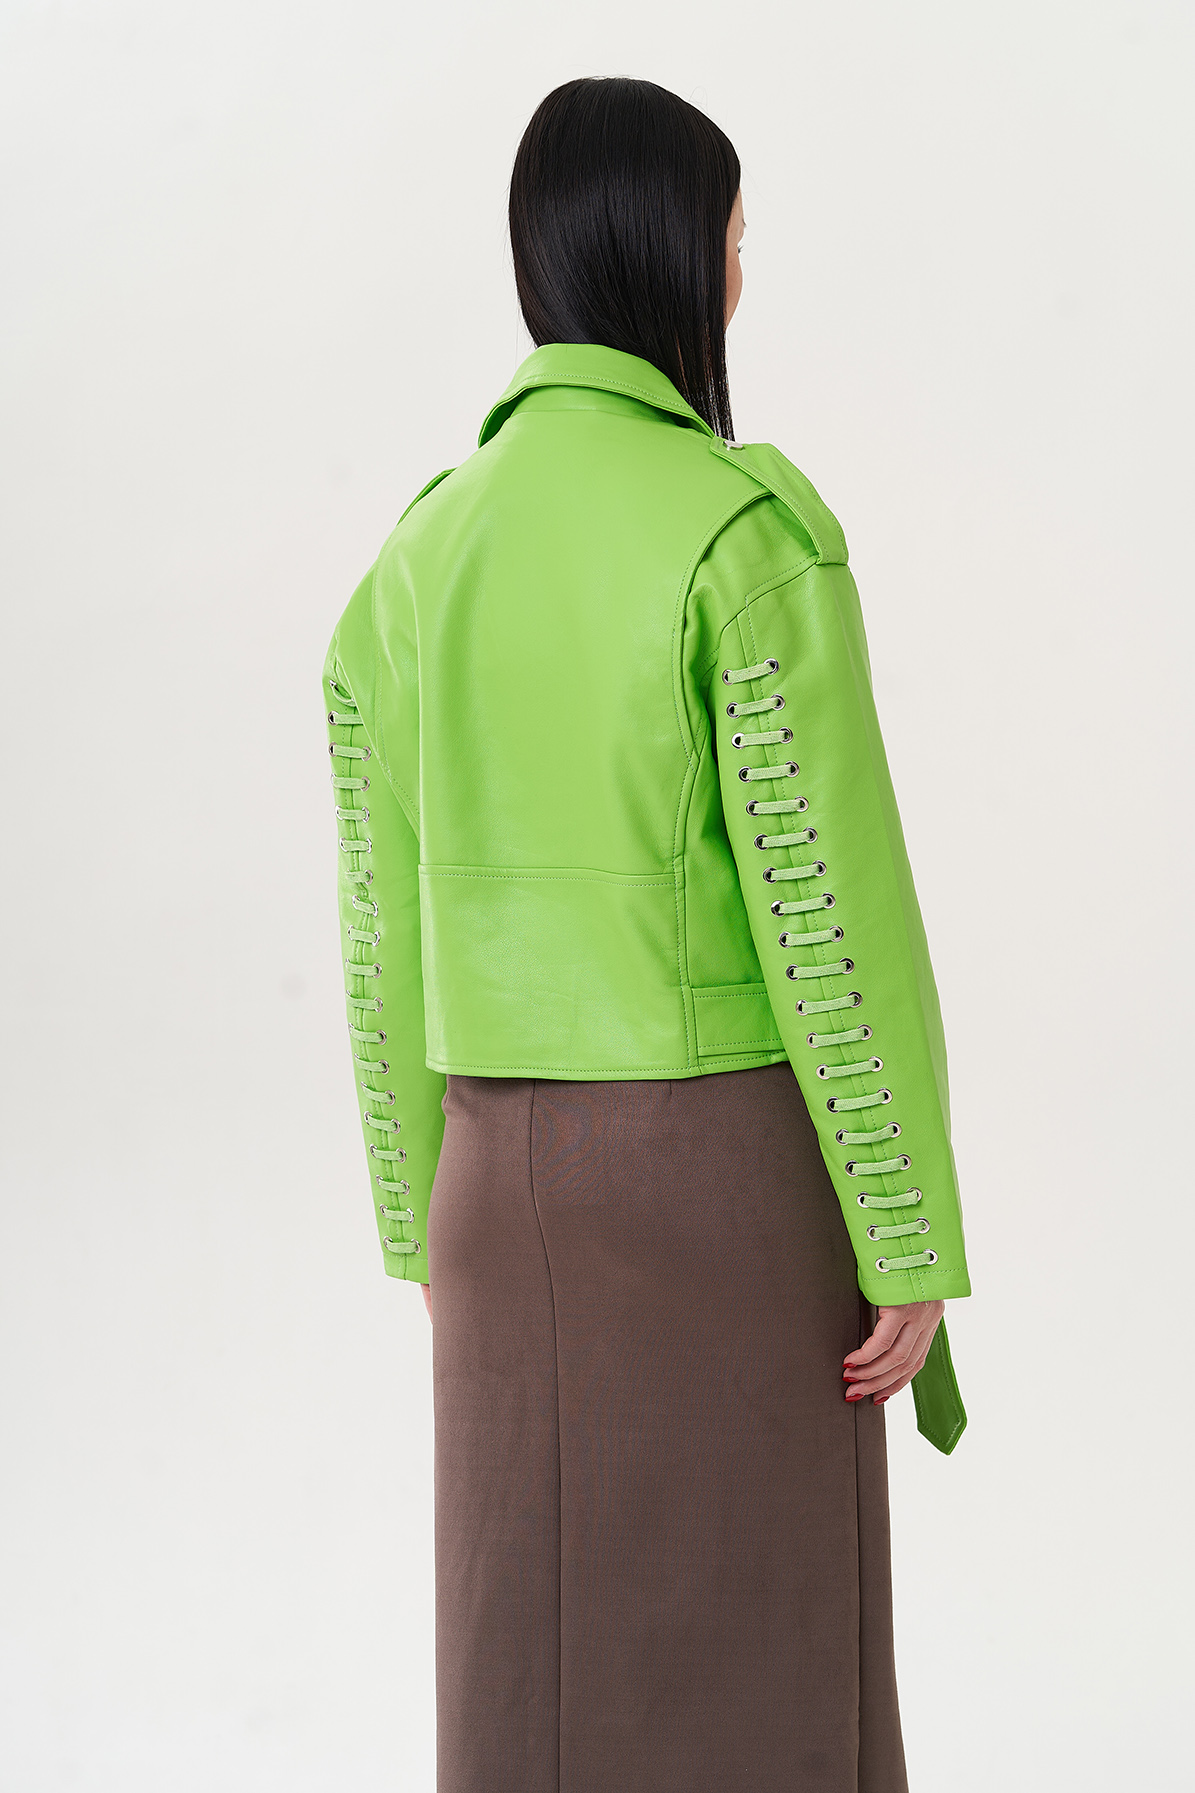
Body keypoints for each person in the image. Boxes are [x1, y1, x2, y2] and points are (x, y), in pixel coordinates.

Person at [323, 74, 970, 1793]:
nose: (745, 267)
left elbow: (380, 919)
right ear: (680, 254)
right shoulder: (739, 532)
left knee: (525, 1670)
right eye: (737, 233)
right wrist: (905, 1225)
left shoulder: (420, 553)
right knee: (767, 1663)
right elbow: (833, 911)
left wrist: (422, 1212)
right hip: (718, 1181)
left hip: (493, 1180)